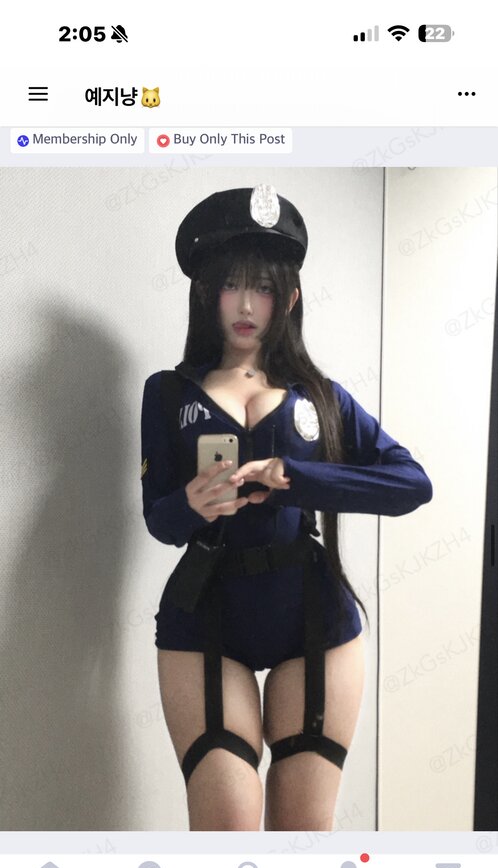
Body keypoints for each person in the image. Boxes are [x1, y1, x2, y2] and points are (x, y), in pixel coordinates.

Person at [140, 184, 433, 832]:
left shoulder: (322, 396)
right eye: (231, 285)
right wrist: (190, 504)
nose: (247, 305)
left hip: (314, 619)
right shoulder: (166, 393)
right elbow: (158, 520)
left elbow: (412, 484)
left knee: (303, 836)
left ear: (290, 298)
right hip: (205, 618)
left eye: (264, 287)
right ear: (205, 292)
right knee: (228, 830)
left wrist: (294, 476)